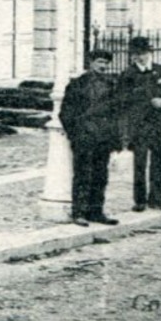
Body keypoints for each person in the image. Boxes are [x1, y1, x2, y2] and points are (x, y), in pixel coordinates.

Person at [59, 47, 121, 227]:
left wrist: (114, 136)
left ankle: (96, 211)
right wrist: (76, 134)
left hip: (103, 136)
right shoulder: (77, 84)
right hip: (84, 136)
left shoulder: (111, 84)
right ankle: (79, 212)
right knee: (83, 175)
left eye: (106, 63)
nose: (103, 66)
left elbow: (115, 112)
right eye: (100, 62)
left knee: (101, 175)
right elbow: (66, 113)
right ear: (91, 63)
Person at [121, 35, 161, 212]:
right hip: (139, 126)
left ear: (150, 53)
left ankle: (158, 198)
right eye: (136, 53)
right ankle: (140, 200)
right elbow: (123, 100)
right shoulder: (127, 75)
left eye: (143, 53)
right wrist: (146, 102)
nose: (140, 57)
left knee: (160, 161)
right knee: (140, 162)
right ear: (132, 55)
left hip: (159, 124)